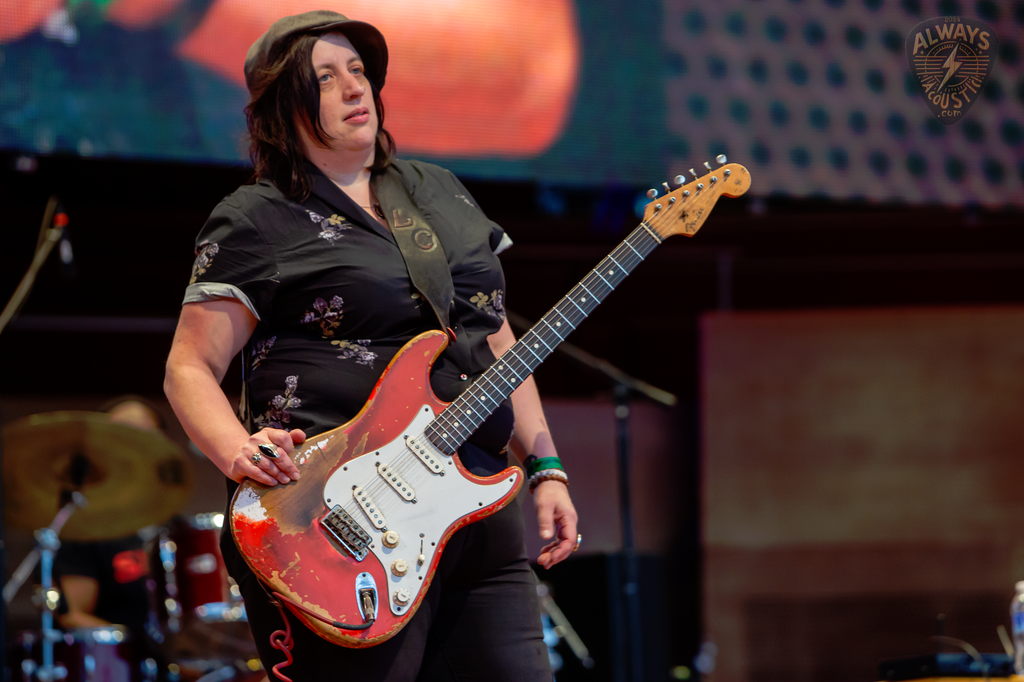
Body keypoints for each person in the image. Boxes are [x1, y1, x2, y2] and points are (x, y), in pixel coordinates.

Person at [163, 10, 578, 681]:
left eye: (358, 70)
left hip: (474, 505)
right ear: (283, 108)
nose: (355, 87)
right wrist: (236, 449)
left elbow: (494, 339)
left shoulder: (440, 192)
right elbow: (189, 366)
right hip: (338, 521)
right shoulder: (257, 217)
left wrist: (546, 467)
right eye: (326, 78)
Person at [55, 396, 164, 636]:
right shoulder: (85, 532)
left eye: (143, 437)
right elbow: (74, 616)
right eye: (120, 435)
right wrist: (142, 647)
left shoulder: (177, 528)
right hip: (121, 656)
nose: (131, 446)